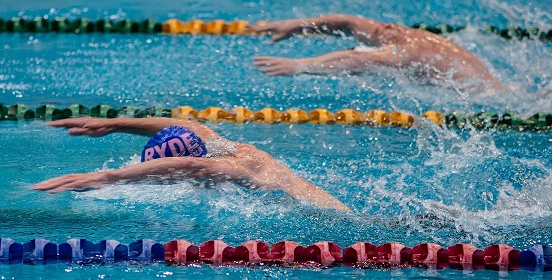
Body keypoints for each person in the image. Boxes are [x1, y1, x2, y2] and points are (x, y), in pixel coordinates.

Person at [32, 117, 351, 212]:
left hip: (336, 220)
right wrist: (113, 124)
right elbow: (187, 126)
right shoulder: (225, 147)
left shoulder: (230, 167)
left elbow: (190, 167)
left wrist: (106, 177)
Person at [251, 13, 503, 90]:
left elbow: (356, 60)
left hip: (482, 96)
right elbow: (347, 22)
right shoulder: (395, 32)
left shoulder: (410, 50)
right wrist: (295, 26)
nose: (374, 29)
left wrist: (299, 66)